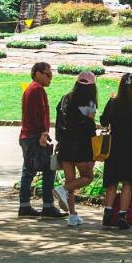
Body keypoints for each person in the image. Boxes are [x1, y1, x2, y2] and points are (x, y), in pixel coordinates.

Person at [17, 61, 64, 219]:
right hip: (35, 136)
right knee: (48, 169)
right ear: (38, 73)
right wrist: (44, 133)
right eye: (48, 74)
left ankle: (25, 205)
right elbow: (40, 114)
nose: (50, 78)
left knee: (28, 170)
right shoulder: (37, 90)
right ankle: (47, 206)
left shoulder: (31, 89)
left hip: (29, 136)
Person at [54, 72, 100, 226]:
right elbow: (90, 126)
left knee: (71, 180)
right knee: (87, 177)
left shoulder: (65, 99)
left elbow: (59, 121)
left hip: (65, 145)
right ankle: (62, 189)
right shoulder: (90, 103)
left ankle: (72, 215)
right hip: (81, 146)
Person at [99, 72, 132, 228]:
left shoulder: (112, 103)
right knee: (127, 184)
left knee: (112, 182)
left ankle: (107, 213)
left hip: (114, 147)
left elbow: (103, 121)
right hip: (131, 148)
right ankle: (122, 217)